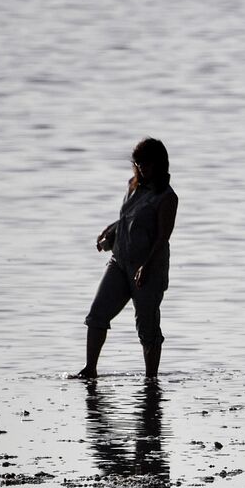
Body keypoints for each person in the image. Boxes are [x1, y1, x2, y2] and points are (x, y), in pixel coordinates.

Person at [74, 138, 178, 379]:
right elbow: (127, 219)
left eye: (146, 163)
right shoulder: (134, 188)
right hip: (120, 263)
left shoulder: (167, 197)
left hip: (148, 267)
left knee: (147, 328)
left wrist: (146, 265)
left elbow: (163, 237)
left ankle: (150, 379)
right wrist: (109, 232)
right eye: (137, 163)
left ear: (159, 163)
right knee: (97, 315)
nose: (141, 167)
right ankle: (90, 369)